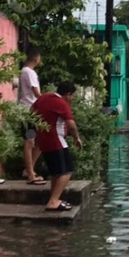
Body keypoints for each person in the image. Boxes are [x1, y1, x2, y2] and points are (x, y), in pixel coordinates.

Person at [31, 81, 81, 212]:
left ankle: (54, 198)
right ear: (68, 94)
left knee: (55, 172)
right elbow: (71, 125)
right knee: (67, 171)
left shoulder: (43, 97)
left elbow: (31, 111)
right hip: (57, 141)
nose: (72, 99)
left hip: (43, 141)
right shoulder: (62, 104)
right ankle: (53, 202)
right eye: (72, 96)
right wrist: (77, 138)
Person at [19, 48, 45, 185]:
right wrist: (47, 102)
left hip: (31, 111)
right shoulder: (30, 73)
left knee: (39, 142)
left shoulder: (24, 71)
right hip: (29, 111)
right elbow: (36, 93)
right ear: (36, 58)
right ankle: (30, 174)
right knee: (30, 142)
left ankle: (29, 170)